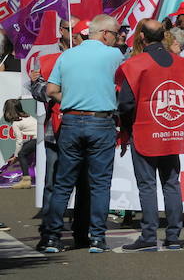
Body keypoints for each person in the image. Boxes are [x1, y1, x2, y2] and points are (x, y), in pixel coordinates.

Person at [38, 14, 124, 253]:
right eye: (116, 35)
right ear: (105, 34)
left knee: (63, 183)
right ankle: (97, 238)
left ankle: (52, 238)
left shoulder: (67, 55)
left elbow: (52, 89)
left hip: (71, 121)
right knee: (99, 183)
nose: (118, 40)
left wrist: (73, 101)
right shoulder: (115, 55)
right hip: (101, 122)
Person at [116, 19, 184, 251]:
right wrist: (173, 122)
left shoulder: (135, 64)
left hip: (143, 132)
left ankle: (149, 236)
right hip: (171, 132)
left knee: (147, 186)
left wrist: (129, 126)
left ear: (141, 37)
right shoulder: (183, 64)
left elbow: (125, 104)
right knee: (172, 183)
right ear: (164, 35)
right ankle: (173, 237)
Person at [4, 99, 36, 189]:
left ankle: (26, 181)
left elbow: (19, 141)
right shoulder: (28, 116)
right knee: (23, 150)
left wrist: (16, 156)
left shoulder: (16, 123)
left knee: (21, 154)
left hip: (38, 139)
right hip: (41, 138)